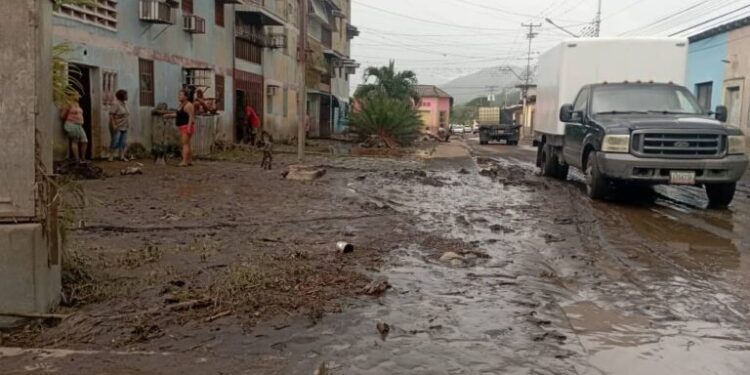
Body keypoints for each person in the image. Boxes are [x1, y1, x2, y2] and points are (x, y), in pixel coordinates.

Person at [165, 88, 196, 167]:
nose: (179, 97)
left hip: (186, 126)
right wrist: (169, 115)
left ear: (186, 97)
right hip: (183, 126)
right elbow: (179, 114)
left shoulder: (188, 105)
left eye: (181, 95)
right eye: (179, 95)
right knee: (187, 144)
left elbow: (191, 117)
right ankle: (189, 160)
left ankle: (184, 161)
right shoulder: (181, 105)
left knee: (185, 144)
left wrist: (189, 127)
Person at [60, 93, 88, 163]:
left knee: (85, 141)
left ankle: (83, 158)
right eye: (77, 94)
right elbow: (62, 115)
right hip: (72, 124)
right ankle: (77, 159)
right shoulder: (68, 104)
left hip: (79, 125)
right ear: (72, 95)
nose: (79, 96)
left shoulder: (77, 104)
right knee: (75, 141)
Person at [109, 90, 130, 161]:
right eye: (126, 95)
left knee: (123, 142)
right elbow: (111, 115)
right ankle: (111, 156)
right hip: (117, 125)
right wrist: (114, 124)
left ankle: (122, 156)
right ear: (122, 96)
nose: (127, 96)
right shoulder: (116, 104)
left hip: (125, 126)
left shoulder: (125, 104)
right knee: (115, 141)